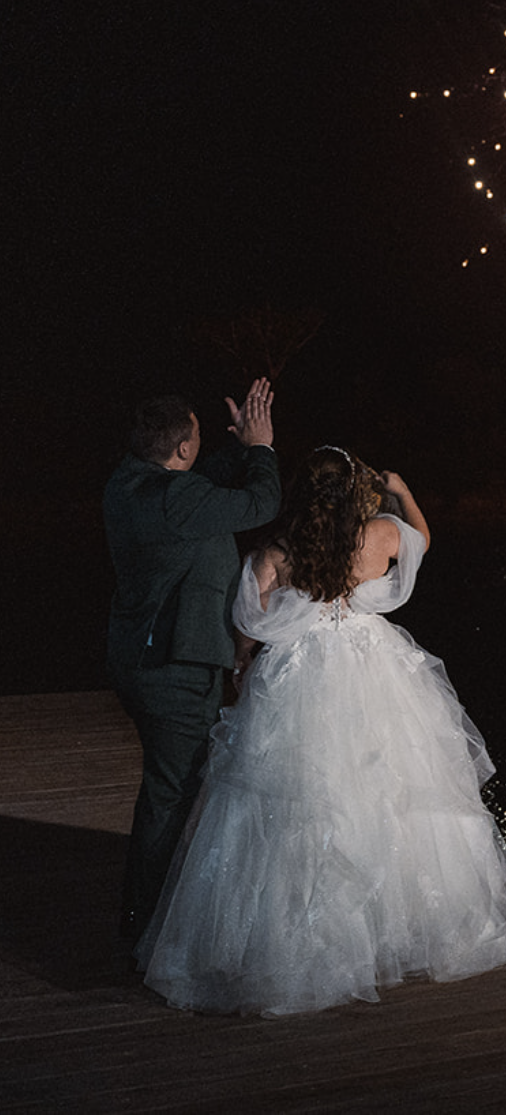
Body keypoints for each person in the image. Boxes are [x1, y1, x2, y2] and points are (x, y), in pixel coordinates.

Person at [136, 447, 506, 1014]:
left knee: (301, 798)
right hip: (373, 665)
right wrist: (401, 492)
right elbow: (421, 537)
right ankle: (394, 927)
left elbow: (250, 625)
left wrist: (242, 666)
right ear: (359, 496)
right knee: (388, 785)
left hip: (301, 676)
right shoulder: (382, 535)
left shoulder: (274, 552)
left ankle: (298, 943)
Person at [105, 379, 280, 947]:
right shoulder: (177, 500)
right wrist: (261, 449)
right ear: (181, 450)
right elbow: (261, 502)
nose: (201, 451)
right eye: (197, 442)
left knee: (170, 789)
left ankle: (155, 912)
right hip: (174, 671)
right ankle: (144, 930)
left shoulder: (128, 483)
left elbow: (201, 480)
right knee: (170, 792)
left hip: (140, 658)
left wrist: (234, 447)